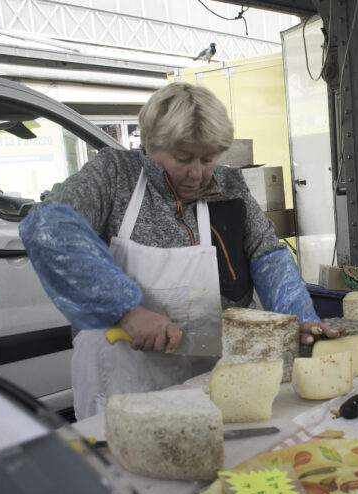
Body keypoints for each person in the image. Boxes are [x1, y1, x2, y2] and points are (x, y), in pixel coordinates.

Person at [20, 82, 340, 419]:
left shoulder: (229, 186)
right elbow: (49, 228)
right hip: (123, 379)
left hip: (210, 376)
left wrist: (297, 319)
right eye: (183, 158)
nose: (198, 174)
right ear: (150, 146)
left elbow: (266, 254)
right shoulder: (114, 175)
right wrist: (128, 310)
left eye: (209, 158)